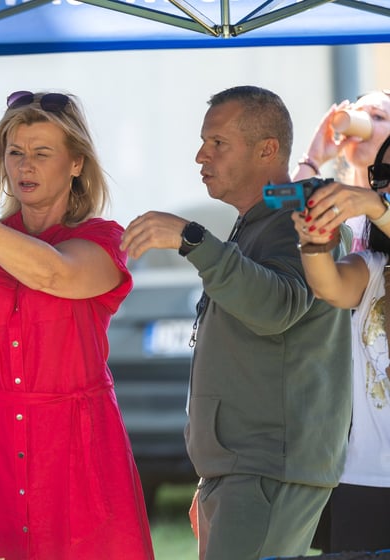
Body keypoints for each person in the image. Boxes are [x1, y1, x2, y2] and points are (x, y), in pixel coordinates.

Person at [0, 90, 154, 560]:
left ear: (76, 163)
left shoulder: (102, 238)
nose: (25, 166)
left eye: (42, 153)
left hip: (72, 449)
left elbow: (55, 272)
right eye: (14, 153)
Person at [120, 85, 352, 560]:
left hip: (267, 472)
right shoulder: (256, 222)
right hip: (244, 474)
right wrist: (215, 477)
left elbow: (277, 307)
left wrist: (192, 240)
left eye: (218, 143)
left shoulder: (298, 219)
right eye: (204, 142)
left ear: (268, 149)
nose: (201, 155)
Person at [289, 132, 390, 553]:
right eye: (384, 174)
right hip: (365, 484)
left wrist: (374, 205)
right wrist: (314, 242)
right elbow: (329, 286)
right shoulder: (372, 268)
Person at [293, 89, 390, 250]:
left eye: (378, 116)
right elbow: (280, 228)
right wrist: (313, 159)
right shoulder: (331, 203)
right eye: (356, 114)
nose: (361, 123)